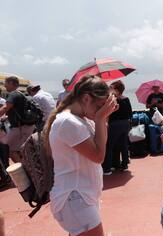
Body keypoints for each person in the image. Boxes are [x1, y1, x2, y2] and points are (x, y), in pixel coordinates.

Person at [43, 75, 118, 236]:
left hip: (82, 196)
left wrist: (101, 117)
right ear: (85, 98)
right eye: (100, 105)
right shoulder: (68, 122)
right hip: (74, 198)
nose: (101, 110)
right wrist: (100, 118)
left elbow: (101, 143)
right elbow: (98, 156)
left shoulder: (83, 119)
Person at [0, 76, 35, 163]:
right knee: (18, 149)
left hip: (20, 128)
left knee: (7, 147)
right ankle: (27, 167)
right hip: (27, 126)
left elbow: (5, 108)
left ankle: (23, 172)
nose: (5, 86)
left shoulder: (13, 94)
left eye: (6, 83)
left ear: (11, 83)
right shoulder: (21, 94)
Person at [102, 80, 132, 175]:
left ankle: (107, 168)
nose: (109, 89)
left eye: (111, 87)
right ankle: (124, 165)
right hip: (125, 124)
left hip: (115, 125)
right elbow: (130, 113)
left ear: (116, 90)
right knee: (123, 145)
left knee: (109, 146)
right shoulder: (126, 99)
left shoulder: (112, 100)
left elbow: (107, 114)